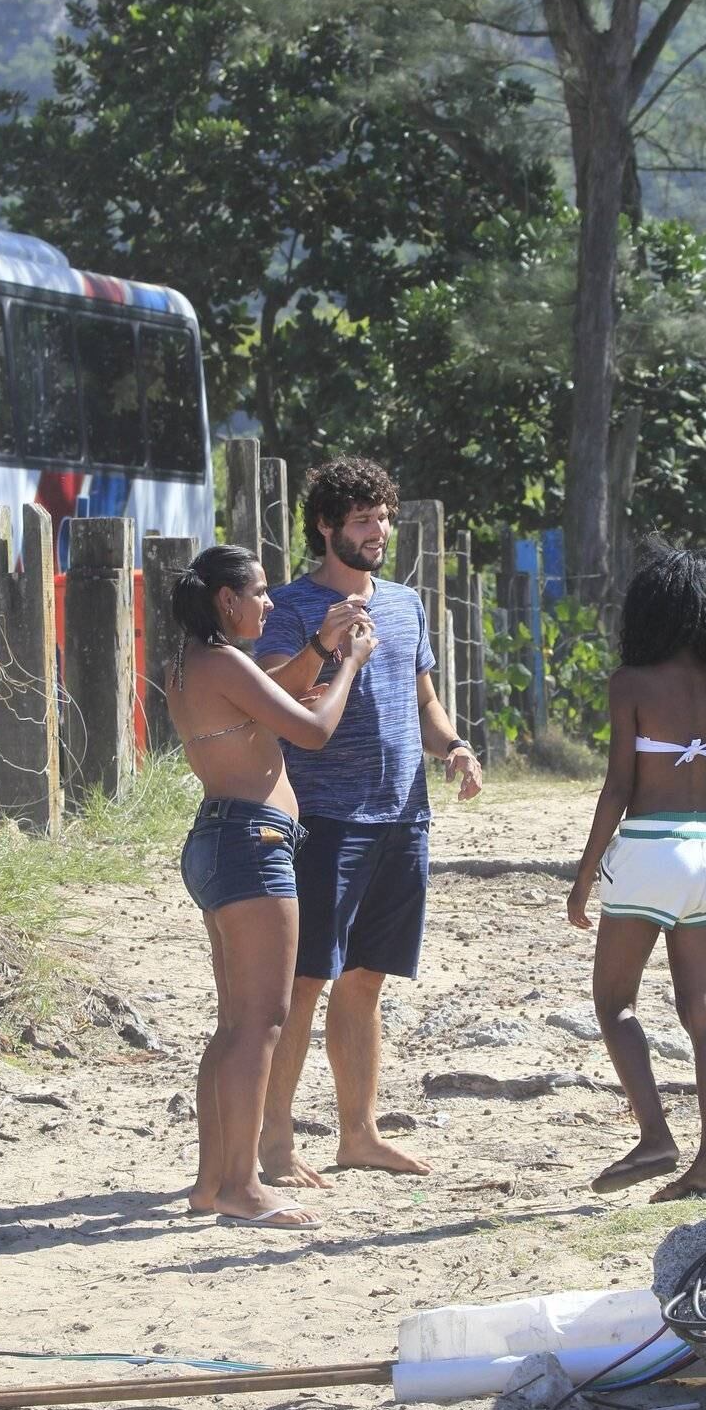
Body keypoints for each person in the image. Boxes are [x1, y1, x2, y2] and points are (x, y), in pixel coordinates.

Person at [254, 456, 483, 1188]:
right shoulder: (291, 606)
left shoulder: (406, 604)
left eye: (383, 517)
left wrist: (454, 746)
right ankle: (275, 1143)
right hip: (324, 817)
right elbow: (272, 695)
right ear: (326, 527)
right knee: (304, 981)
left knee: (365, 979)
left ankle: (359, 1135)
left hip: (402, 815)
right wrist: (323, 645)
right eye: (363, 520)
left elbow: (423, 700)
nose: (379, 530)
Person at [166, 544, 378, 1230]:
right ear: (226, 600)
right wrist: (350, 663)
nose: (269, 602)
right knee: (262, 1023)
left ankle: (212, 1182)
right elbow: (311, 730)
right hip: (252, 845)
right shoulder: (225, 662)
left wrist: (318, 648)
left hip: (221, 839)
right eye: (258, 592)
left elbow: (273, 694)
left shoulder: (193, 662)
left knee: (236, 1024)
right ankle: (241, 1185)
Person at [565, 540, 706, 1203]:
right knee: (704, 1013)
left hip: (649, 848)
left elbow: (618, 787)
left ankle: (653, 1136)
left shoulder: (632, 684)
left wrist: (584, 875)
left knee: (615, 1004)